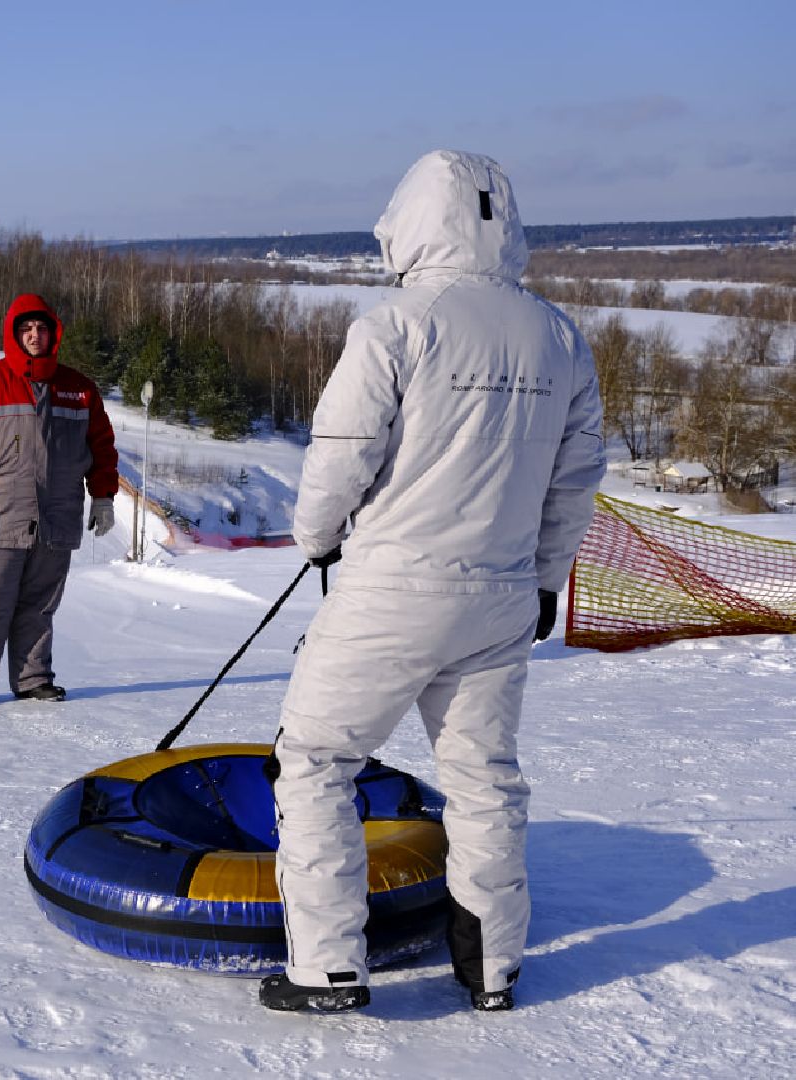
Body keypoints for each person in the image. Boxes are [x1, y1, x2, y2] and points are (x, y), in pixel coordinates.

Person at [258, 151, 605, 1015]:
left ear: (412, 218)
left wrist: (316, 538)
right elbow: (575, 477)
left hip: (388, 592)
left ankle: (330, 968)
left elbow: (341, 454)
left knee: (312, 763)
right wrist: (543, 581)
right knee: (484, 778)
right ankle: (491, 969)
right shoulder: (558, 335)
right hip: (497, 597)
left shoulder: (395, 324)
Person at [0, 293, 119, 709]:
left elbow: (102, 447)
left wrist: (104, 496)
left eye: (41, 328)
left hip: (57, 518)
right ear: (13, 334)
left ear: (53, 333)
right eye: (26, 329)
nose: (34, 335)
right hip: (0, 517)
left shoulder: (79, 391)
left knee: (40, 606)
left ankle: (33, 678)